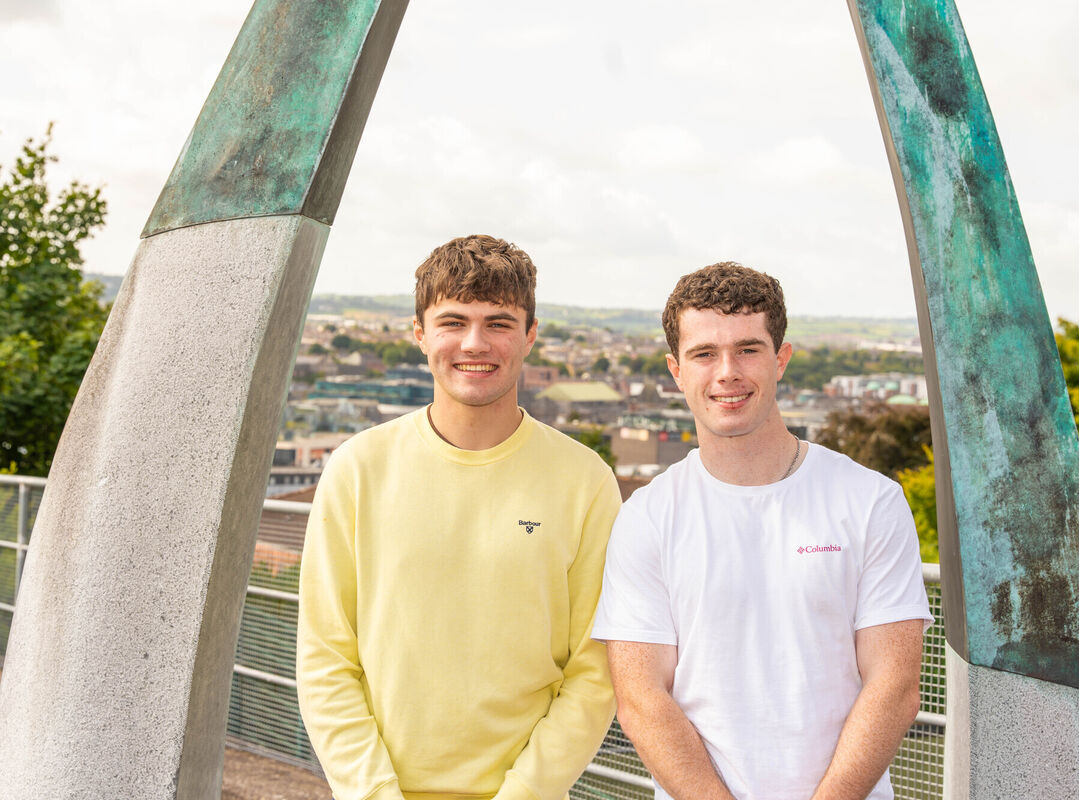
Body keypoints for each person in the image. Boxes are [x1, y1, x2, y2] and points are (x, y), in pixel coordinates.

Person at [297, 235, 621, 800]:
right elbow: (326, 659)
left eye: (499, 323)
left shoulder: (586, 480)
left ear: (531, 335)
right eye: (453, 321)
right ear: (419, 333)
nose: (475, 343)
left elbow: (594, 674)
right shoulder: (357, 469)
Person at [592, 262, 931, 800]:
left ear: (781, 359)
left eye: (748, 349)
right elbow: (641, 699)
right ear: (676, 370)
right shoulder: (648, 515)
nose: (727, 372)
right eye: (704, 353)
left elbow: (894, 689)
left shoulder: (871, 501)